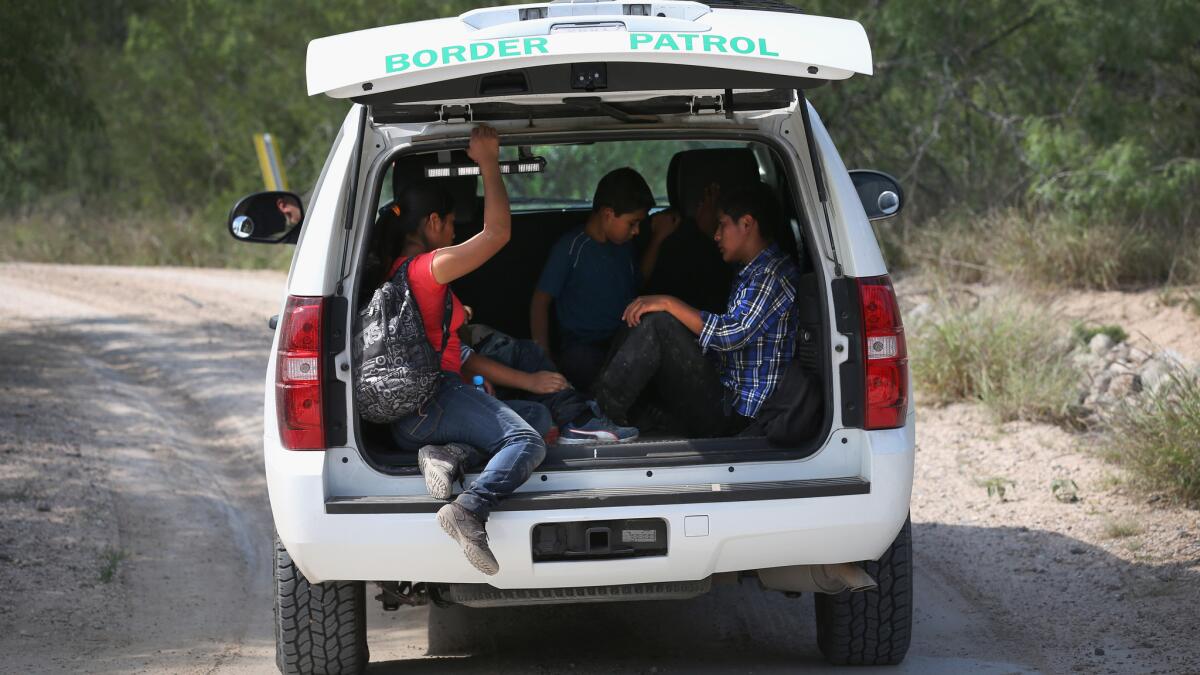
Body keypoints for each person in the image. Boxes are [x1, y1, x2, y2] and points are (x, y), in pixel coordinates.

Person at [385, 125, 540, 576]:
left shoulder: (396, 269)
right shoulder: (429, 267)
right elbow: (497, 235)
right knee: (525, 440)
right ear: (432, 223)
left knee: (540, 416)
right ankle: (469, 510)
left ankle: (447, 453)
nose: (455, 232)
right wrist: (488, 162)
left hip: (408, 421)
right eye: (452, 224)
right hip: (434, 402)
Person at [593, 182, 802, 438]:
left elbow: (731, 334)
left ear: (746, 224)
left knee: (659, 324)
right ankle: (600, 407)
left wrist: (668, 302)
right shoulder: (752, 268)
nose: (716, 235)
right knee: (645, 313)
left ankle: (601, 418)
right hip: (724, 391)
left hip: (737, 416)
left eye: (722, 225)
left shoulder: (771, 274)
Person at [529, 167, 660, 391]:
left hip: (621, 339)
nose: (637, 231)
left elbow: (638, 283)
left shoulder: (624, 246)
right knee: (582, 363)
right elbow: (540, 302)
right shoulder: (571, 248)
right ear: (608, 214)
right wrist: (544, 359)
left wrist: (658, 239)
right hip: (582, 346)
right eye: (632, 223)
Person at [459, 323, 639, 444]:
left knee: (539, 412)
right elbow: (464, 357)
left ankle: (576, 414)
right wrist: (529, 381)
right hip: (456, 402)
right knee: (525, 352)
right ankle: (577, 420)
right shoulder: (434, 284)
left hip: (472, 386)